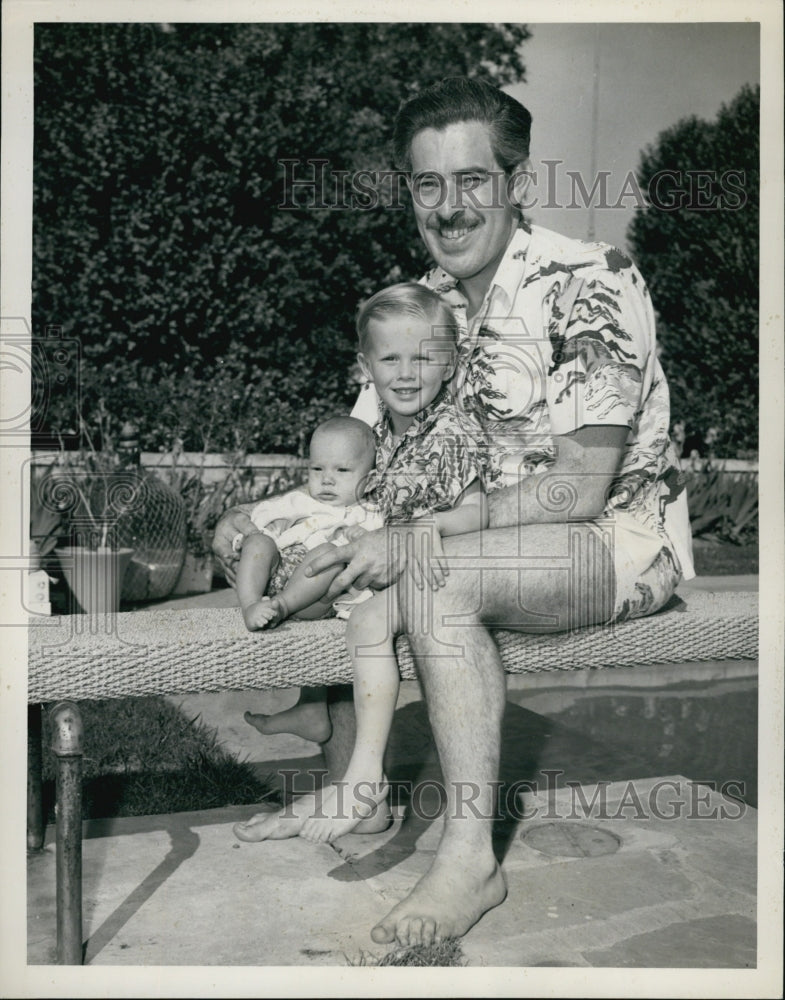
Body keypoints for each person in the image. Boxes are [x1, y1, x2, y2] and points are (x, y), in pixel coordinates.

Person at [215, 78, 695, 947]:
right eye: (427, 184)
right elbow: (355, 463)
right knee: (326, 552)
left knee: (430, 577)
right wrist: (270, 516)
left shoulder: (588, 281)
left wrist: (422, 533)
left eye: (472, 179)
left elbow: (578, 490)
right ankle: (352, 795)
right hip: (478, 535)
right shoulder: (422, 304)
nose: (449, 206)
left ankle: (471, 859)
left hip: (611, 541)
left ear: (514, 180)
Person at [236, 281, 493, 842]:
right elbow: (335, 492)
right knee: (306, 554)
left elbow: (477, 515)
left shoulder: (452, 432)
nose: (405, 373)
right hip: (371, 563)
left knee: (364, 625)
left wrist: (424, 527)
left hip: (427, 570)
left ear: (448, 365)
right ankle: (314, 708)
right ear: (366, 366)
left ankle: (363, 780)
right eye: (390, 358)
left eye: (423, 358)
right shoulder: (373, 430)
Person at [235, 416, 383, 632]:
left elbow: (378, 550)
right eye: (317, 469)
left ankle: (282, 607)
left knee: (329, 553)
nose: (326, 479)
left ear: (370, 481)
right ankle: (251, 606)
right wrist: (255, 535)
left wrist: (363, 537)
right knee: (258, 541)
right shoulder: (298, 501)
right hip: (275, 575)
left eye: (341, 470)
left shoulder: (369, 514)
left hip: (315, 596)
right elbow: (265, 517)